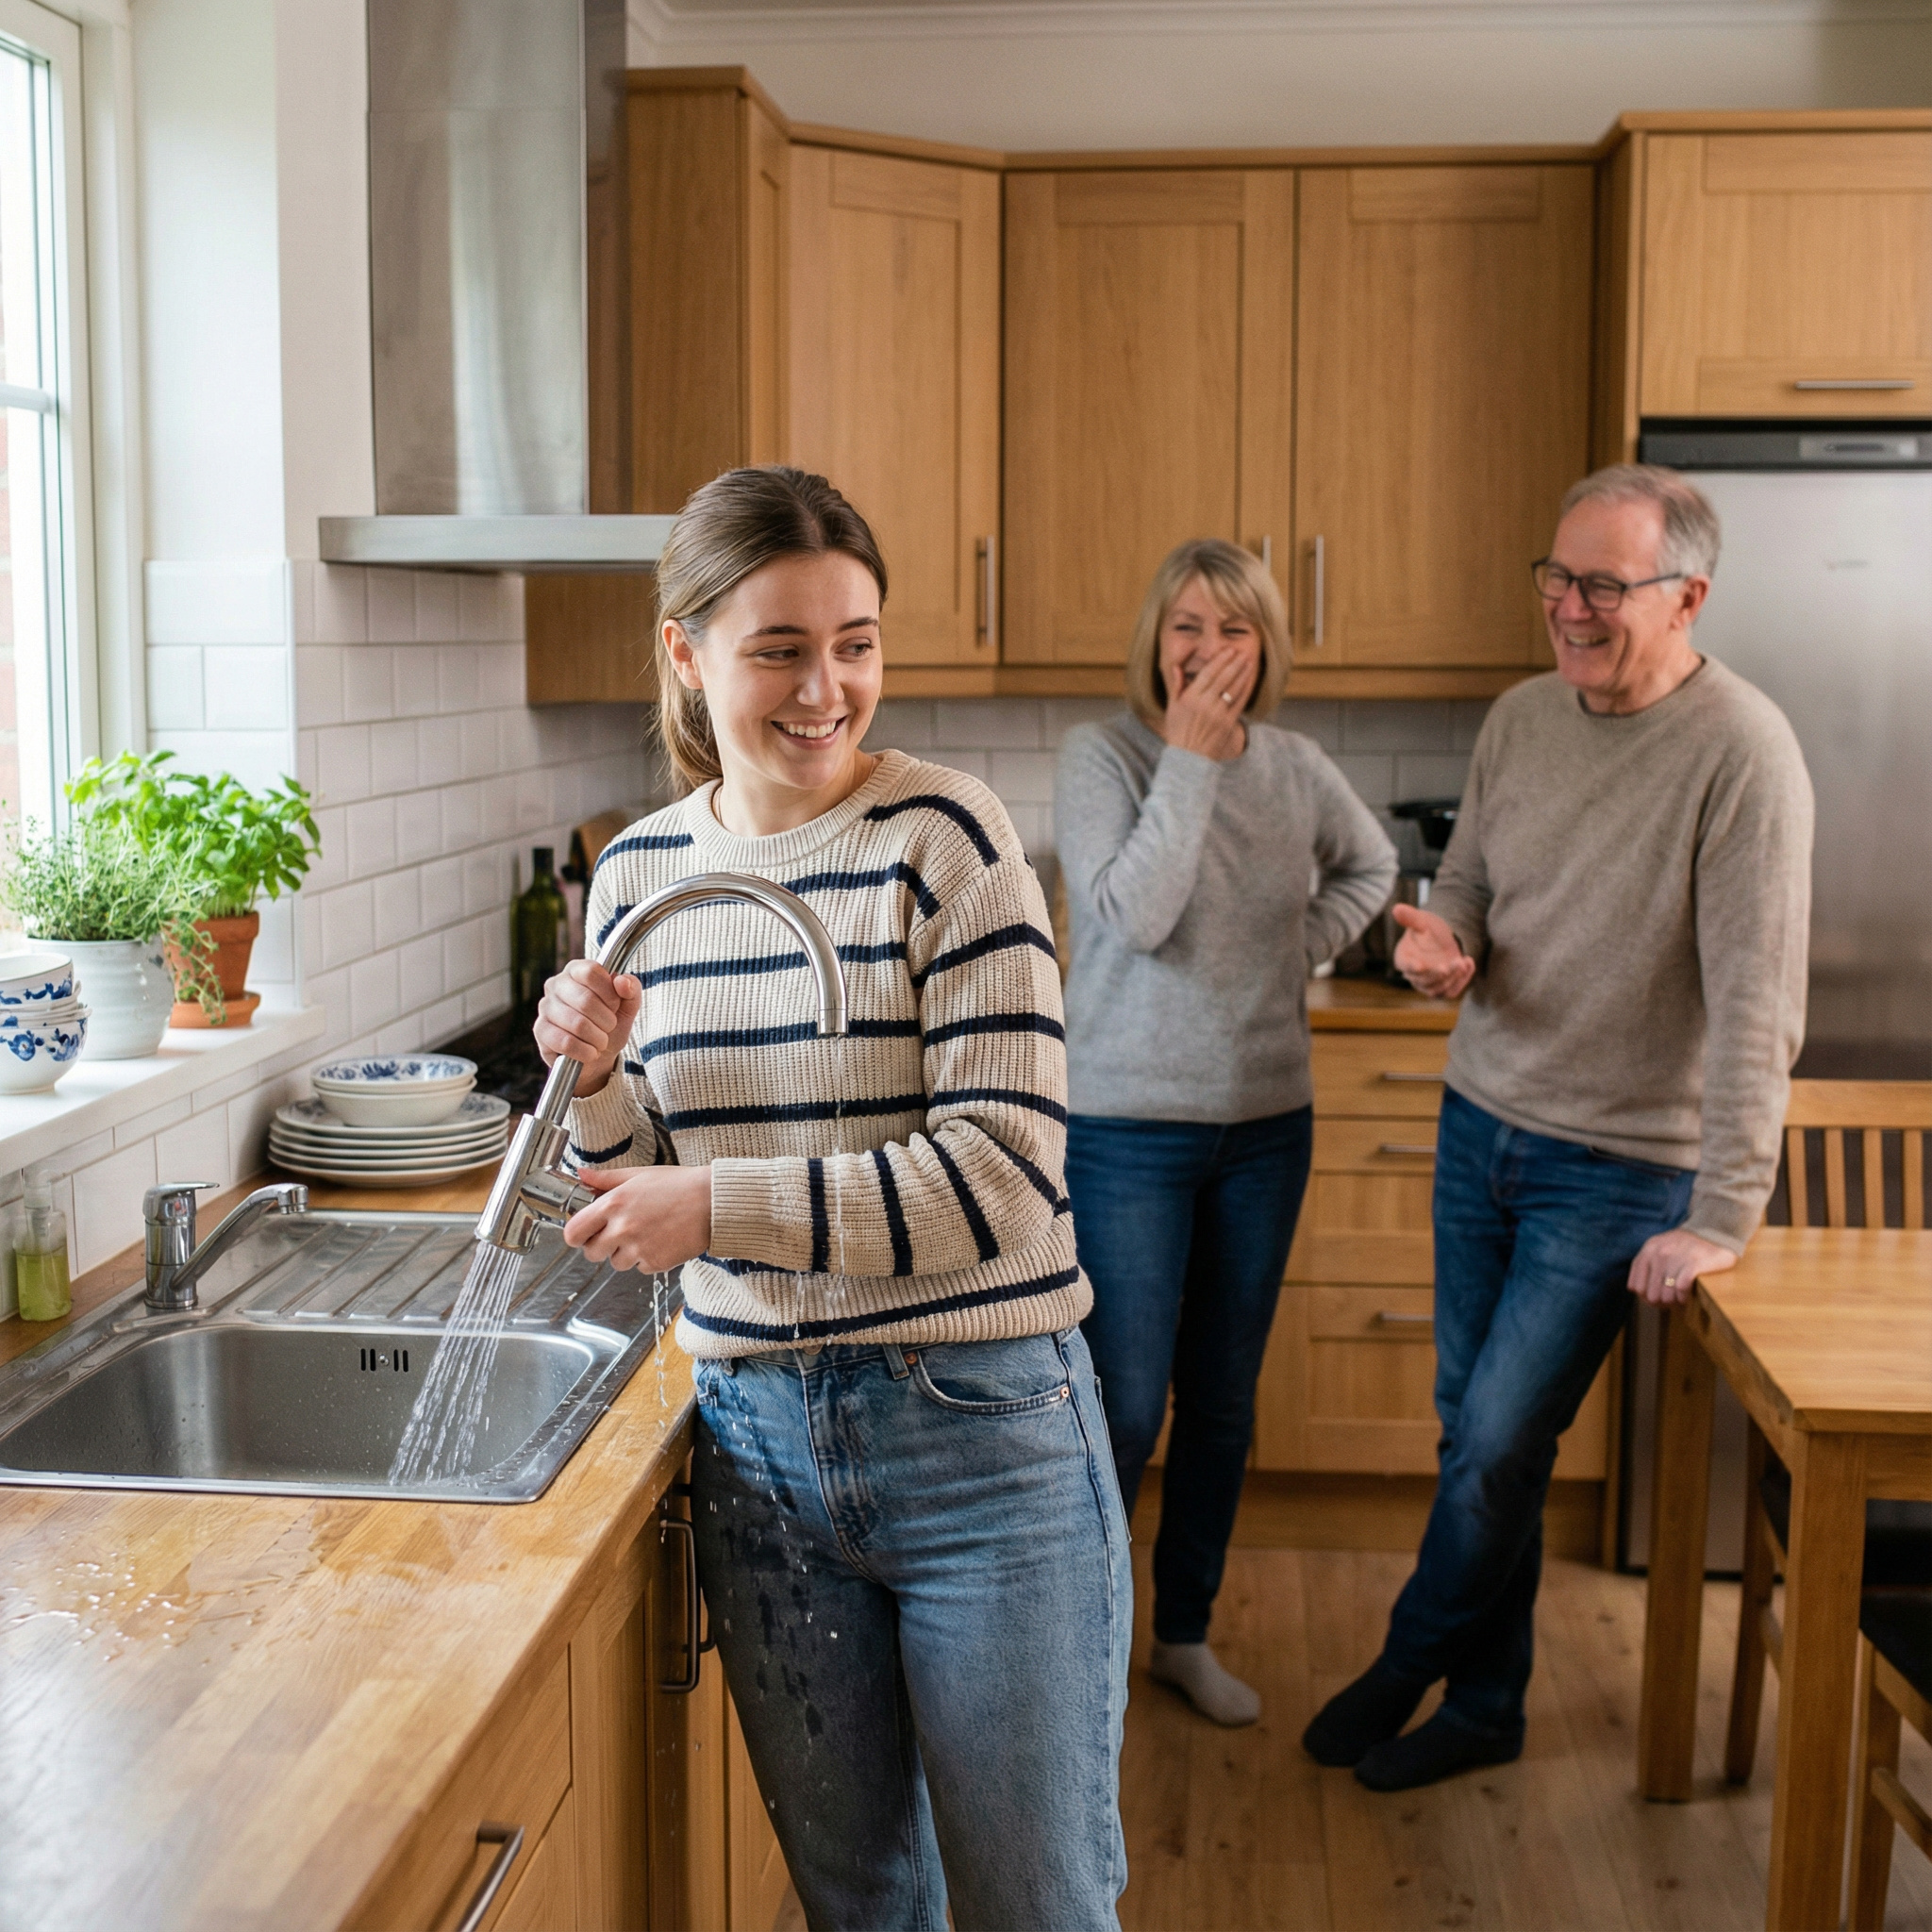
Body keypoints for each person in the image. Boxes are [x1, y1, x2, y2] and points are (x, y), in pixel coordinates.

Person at [536, 467, 1129, 1930]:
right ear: (687, 652)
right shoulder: (639, 876)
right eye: (780, 649)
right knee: (863, 1906)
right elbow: (632, 1165)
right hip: (760, 1456)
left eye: (854, 642)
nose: (827, 690)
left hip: (983, 1436)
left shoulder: (953, 842)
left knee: (1039, 1907)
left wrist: (712, 1208)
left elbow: (1002, 1178)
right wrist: (595, 1074)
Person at [1303, 464, 1813, 1791]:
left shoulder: (1743, 753)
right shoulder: (1524, 717)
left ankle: (1412, 1654)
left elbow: (1762, 1002)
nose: (1568, 607)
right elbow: (1466, 880)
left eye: (1602, 584)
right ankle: (1489, 1705)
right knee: (1475, 1425)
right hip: (1485, 1120)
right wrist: (1443, 944)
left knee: (1493, 1441)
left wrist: (1721, 1214)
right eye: (1556, 577)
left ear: (1688, 595)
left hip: (1624, 1163)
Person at [1055, 538, 1397, 1726]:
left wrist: (1293, 950)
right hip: (1121, 1127)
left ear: (1267, 647)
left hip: (1264, 1125)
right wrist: (1188, 766)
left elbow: (1372, 864)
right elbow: (1134, 917)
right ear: (1154, 637)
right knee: (1125, 1399)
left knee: (1221, 1400)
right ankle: (1082, 1639)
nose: (1206, 652)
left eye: (1233, 629)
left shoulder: (1298, 767)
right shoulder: (1100, 755)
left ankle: (1181, 1632)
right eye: (1185, 626)